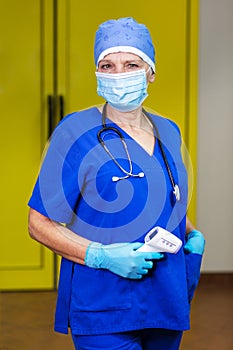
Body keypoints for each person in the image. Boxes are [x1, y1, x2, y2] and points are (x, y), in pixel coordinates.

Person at [28, 17, 205, 350]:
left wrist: (192, 234)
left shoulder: (169, 130)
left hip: (166, 297)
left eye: (131, 64)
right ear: (98, 74)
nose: (119, 74)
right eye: (107, 65)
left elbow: (169, 198)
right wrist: (101, 256)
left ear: (150, 72)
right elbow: (38, 223)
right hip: (102, 302)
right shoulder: (74, 132)